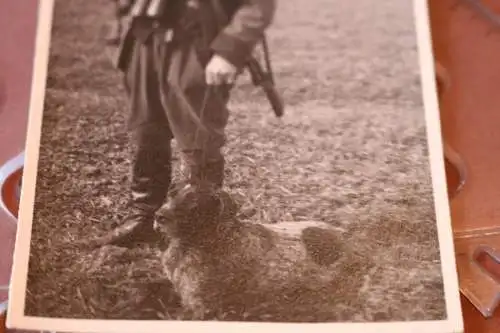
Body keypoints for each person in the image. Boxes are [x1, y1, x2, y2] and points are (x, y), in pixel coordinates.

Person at [100, 0, 277, 247]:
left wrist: (230, 49)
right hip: (145, 37)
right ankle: (144, 218)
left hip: (197, 40)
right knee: (145, 129)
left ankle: (200, 230)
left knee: (198, 136)